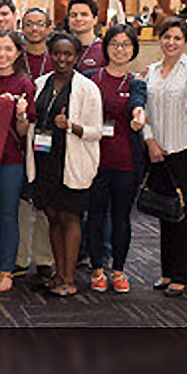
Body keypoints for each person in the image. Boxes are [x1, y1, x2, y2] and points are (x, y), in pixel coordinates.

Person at [26, 32, 103, 297]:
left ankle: (69, 279)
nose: (61, 59)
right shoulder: (39, 83)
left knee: (69, 217)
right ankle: (58, 273)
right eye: (57, 53)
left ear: (76, 56)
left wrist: (71, 126)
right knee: (52, 217)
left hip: (72, 163)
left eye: (67, 54)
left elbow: (96, 131)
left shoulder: (87, 88)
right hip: (45, 161)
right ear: (50, 54)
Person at [83, 25, 147, 294]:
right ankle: (97, 268)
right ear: (105, 47)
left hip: (126, 163)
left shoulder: (136, 82)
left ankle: (118, 270)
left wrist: (138, 116)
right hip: (94, 160)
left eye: (126, 45)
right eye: (115, 44)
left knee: (121, 218)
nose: (120, 49)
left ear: (134, 50)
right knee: (95, 216)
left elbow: (138, 102)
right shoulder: (89, 78)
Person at [143, 17, 187, 298]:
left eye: (178, 38)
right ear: (160, 39)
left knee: (180, 213)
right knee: (162, 211)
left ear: (185, 42)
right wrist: (150, 142)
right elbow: (142, 110)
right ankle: (167, 272)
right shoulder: (151, 71)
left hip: (182, 150)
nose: (171, 42)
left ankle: (181, 276)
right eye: (167, 37)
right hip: (156, 151)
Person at [0, 30, 35, 292]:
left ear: (17, 52)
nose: (2, 54)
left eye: (8, 49)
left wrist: (20, 115)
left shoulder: (24, 84)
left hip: (12, 159)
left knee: (8, 214)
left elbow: (24, 133)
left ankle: (7, 270)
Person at [14, 7, 55, 278]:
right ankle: (19, 257)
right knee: (20, 200)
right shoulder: (15, 58)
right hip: (19, 134)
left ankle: (44, 258)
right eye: (28, 24)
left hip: (49, 136)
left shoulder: (57, 57)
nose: (34, 29)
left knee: (44, 199)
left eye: (39, 24)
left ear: (48, 27)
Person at [67, 0, 105, 72]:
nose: (78, 19)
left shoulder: (104, 50)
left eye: (84, 15)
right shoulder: (62, 47)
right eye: (73, 15)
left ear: (95, 19)